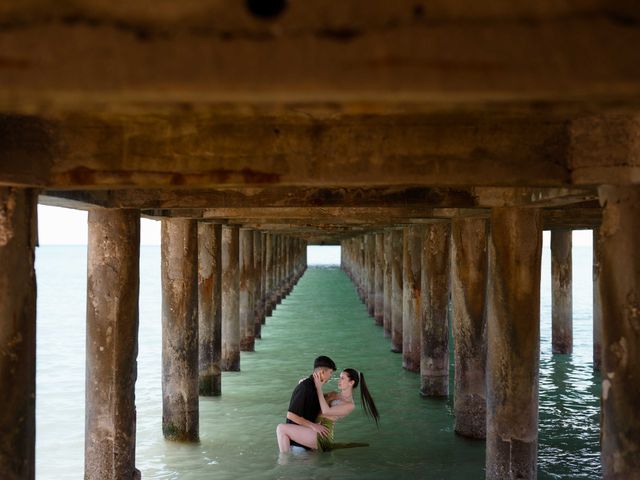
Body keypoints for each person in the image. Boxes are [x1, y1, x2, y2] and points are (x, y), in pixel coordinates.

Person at [276, 366, 379, 452]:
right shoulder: (333, 394)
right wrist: (305, 384)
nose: (339, 381)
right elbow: (314, 397)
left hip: (323, 435)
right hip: (314, 430)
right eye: (339, 377)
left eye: (342, 378)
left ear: (351, 382)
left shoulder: (349, 405)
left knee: (281, 429)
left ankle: (283, 463)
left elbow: (326, 411)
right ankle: (287, 468)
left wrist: (319, 387)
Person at [277, 355, 336, 452]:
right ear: (322, 372)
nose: (330, 377)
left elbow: (313, 402)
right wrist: (314, 426)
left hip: (306, 443)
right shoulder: (305, 387)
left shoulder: (314, 387)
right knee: (280, 428)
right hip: (297, 445)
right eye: (330, 373)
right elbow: (291, 415)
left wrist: (329, 395)